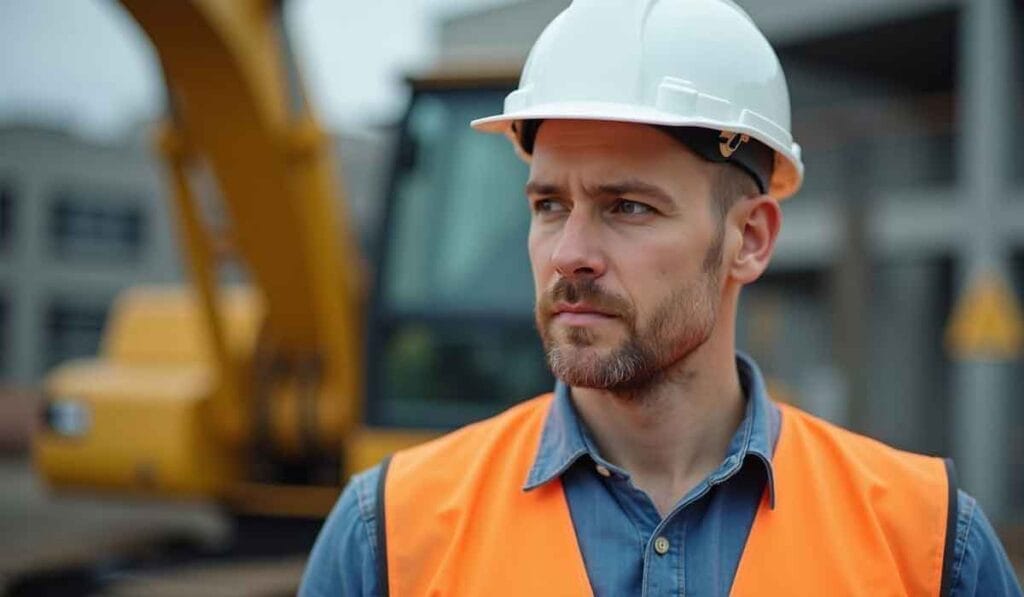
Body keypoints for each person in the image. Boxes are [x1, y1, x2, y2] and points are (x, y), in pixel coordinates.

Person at [301, 1, 1022, 594]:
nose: (569, 253)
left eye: (628, 207)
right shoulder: (387, 534)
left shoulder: (928, 546)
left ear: (750, 239)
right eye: (549, 205)